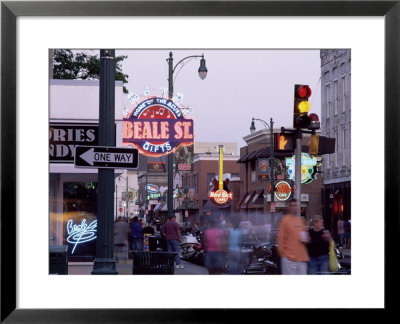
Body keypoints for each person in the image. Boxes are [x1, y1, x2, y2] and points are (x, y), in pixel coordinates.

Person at [276, 198, 309, 275]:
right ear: (288, 207)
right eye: (291, 205)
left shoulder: (301, 220)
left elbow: (305, 238)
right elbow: (280, 238)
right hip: (289, 259)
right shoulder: (284, 220)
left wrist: (306, 238)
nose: (293, 207)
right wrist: (284, 255)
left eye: (295, 205)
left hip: (301, 258)